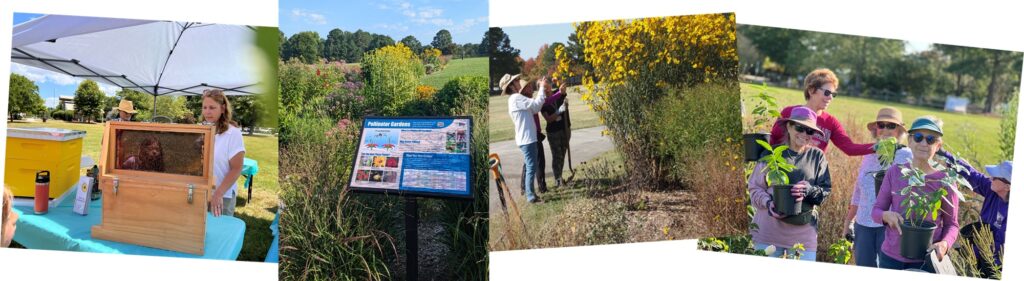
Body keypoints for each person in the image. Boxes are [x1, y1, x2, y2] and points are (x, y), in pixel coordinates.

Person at [872, 116, 960, 272]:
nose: (924, 144)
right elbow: (876, 210)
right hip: (890, 258)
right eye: (918, 138)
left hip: (926, 260)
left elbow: (951, 224)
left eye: (931, 139)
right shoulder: (895, 172)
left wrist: (944, 244)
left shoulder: (945, 180)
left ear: (938, 146)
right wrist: (886, 216)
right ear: (910, 141)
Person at [749, 106, 832, 261]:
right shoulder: (771, 154)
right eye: (800, 128)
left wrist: (808, 190)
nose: (804, 134)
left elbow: (825, 190)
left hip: (804, 234)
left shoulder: (817, 156)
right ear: (789, 126)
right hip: (768, 231)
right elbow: (755, 188)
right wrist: (768, 203)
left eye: (809, 131)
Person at [843, 107, 913, 267]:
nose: (886, 130)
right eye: (882, 125)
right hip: (863, 224)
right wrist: (849, 221)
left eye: (891, 126)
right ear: (876, 129)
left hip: (889, 226)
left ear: (900, 131)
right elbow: (858, 191)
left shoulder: (907, 155)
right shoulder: (869, 153)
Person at [937, 150, 1010, 278]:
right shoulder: (991, 189)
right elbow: (971, 174)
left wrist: (968, 252)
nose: (991, 178)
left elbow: (997, 247)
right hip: (980, 253)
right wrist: (944, 154)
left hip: (995, 267)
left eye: (996, 177)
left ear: (1008, 186)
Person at [769, 68, 874, 156]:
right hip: (783, 170)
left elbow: (849, 148)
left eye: (833, 94)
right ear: (811, 90)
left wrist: (878, 147)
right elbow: (773, 139)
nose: (830, 98)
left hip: (811, 175)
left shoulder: (831, 122)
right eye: (827, 92)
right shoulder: (789, 112)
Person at [502, 73, 546, 203]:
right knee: (531, 167)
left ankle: (529, 193)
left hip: (526, 138)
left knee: (530, 165)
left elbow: (533, 108)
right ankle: (530, 196)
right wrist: (542, 88)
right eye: (515, 80)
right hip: (527, 139)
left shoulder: (516, 98)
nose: (518, 81)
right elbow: (537, 105)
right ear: (512, 85)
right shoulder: (516, 98)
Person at [202, 89, 246, 217]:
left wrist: (218, 194)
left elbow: (237, 168)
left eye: (212, 107)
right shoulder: (205, 130)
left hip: (222, 196)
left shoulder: (233, 133)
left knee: (220, 233)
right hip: (203, 193)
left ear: (222, 108)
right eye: (204, 107)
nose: (207, 112)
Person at [542, 79, 571, 188]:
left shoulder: (557, 93)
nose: (546, 89)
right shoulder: (542, 102)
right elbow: (548, 119)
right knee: (556, 155)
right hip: (553, 132)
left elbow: (563, 93)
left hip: (565, 128)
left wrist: (563, 90)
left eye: (547, 86)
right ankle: (557, 179)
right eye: (544, 87)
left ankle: (559, 177)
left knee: (562, 154)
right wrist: (558, 111)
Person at [521, 80, 548, 194]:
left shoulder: (529, 100)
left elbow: (542, 101)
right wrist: (542, 87)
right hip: (533, 135)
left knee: (529, 161)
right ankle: (541, 187)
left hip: (534, 133)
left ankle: (524, 187)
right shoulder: (527, 101)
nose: (531, 87)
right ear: (524, 90)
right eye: (527, 86)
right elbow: (539, 103)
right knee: (539, 161)